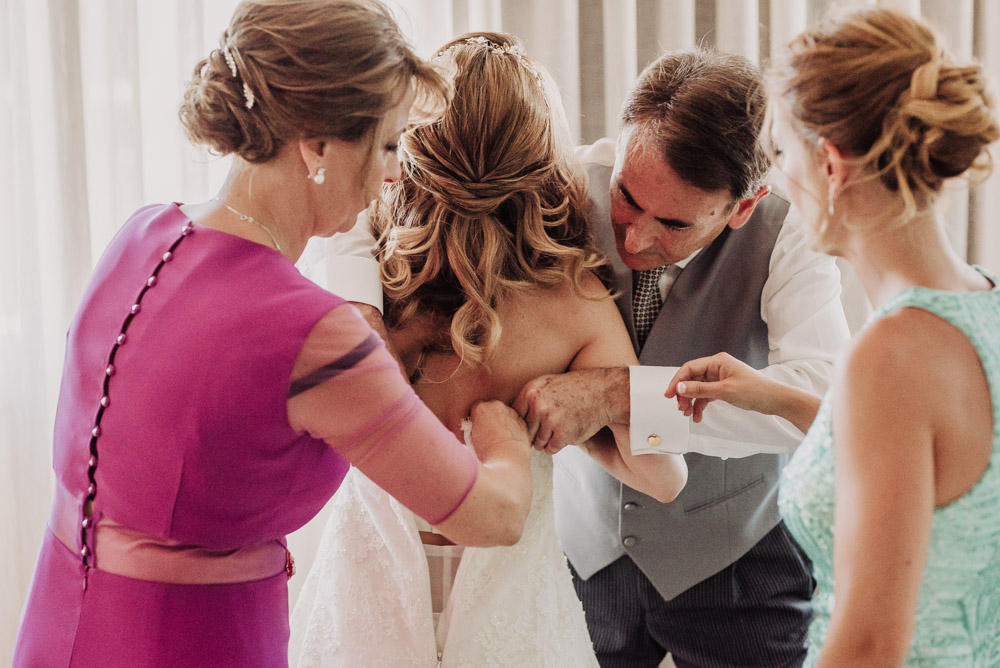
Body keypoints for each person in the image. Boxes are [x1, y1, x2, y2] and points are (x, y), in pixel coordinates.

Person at [12, 3, 538, 666]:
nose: (395, 171)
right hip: (190, 643)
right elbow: (492, 515)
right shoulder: (315, 334)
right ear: (316, 143)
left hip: (60, 624)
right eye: (384, 144)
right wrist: (504, 436)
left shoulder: (142, 234)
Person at [289, 32, 688, 667]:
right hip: (514, 631)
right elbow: (666, 476)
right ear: (540, 164)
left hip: (365, 612)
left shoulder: (366, 301)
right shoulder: (575, 304)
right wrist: (602, 404)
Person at [666, 8, 1000, 666]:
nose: (775, 183)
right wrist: (776, 397)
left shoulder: (891, 355)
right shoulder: (981, 300)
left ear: (832, 165)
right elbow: (933, 473)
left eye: (782, 154)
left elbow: (871, 644)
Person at [510, 50, 854, 666]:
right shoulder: (563, 185)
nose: (635, 237)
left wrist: (620, 393)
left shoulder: (789, 231)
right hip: (585, 554)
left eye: (672, 222)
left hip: (737, 564)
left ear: (741, 207)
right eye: (626, 196)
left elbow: (822, 394)